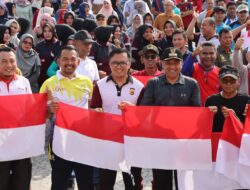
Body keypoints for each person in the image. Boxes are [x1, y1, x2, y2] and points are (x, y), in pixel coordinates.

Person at [141, 47, 201, 190]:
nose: (172, 67)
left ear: (181, 64)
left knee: (185, 181)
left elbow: (197, 113)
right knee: (162, 181)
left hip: (184, 141)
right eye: (168, 63)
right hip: (160, 141)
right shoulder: (153, 83)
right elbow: (145, 110)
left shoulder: (192, 84)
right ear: (161, 63)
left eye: (176, 63)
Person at [40, 45, 94, 190]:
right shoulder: (49, 83)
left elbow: (90, 109)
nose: (69, 62)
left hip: (83, 141)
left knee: (86, 182)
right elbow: (38, 114)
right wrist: (48, 109)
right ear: (58, 61)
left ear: (78, 62)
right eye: (65, 59)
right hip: (58, 141)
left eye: (72, 59)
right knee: (59, 182)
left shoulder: (87, 82)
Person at [90, 48, 144, 190]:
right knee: (106, 183)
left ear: (129, 64)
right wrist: (95, 111)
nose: (119, 66)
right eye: (115, 63)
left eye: (122, 63)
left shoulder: (139, 86)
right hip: (108, 140)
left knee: (133, 182)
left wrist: (132, 108)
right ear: (109, 64)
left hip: (131, 141)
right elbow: (92, 109)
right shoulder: (100, 85)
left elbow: (144, 115)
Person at [0, 46, 32, 190]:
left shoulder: (24, 82)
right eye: (4, 61)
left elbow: (31, 109)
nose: (9, 65)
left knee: (22, 182)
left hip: (20, 142)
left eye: (12, 61)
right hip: (0, 144)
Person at [205, 65, 250, 132]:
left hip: (238, 141)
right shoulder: (211, 100)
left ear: (238, 81)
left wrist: (234, 118)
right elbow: (203, 126)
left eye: (232, 80)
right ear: (219, 81)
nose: (228, 84)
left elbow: (247, 131)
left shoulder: (247, 100)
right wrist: (207, 116)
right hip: (216, 140)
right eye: (225, 81)